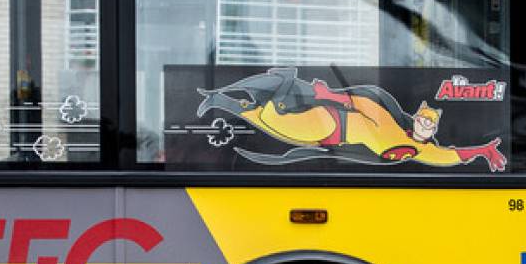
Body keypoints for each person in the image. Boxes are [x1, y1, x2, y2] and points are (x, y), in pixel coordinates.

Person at [197, 68, 506, 171]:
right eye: (424, 119)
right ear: (415, 118)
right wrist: (327, 95)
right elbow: (360, 102)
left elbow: (451, 156)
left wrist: (483, 151)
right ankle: (285, 81)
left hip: (327, 137)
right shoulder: (390, 121)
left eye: (431, 124)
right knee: (273, 118)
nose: (427, 124)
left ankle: (220, 101)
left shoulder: (421, 150)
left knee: (266, 121)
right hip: (327, 121)